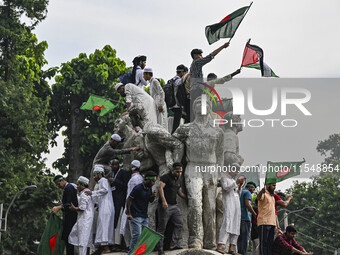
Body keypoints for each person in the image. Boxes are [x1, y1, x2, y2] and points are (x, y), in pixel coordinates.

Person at [173, 96, 224, 249]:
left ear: (210, 108)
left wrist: (219, 174)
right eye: (197, 103)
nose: (201, 106)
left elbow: (220, 155)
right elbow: (173, 143)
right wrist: (173, 164)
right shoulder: (185, 128)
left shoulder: (217, 131)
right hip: (193, 166)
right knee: (195, 203)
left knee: (210, 207)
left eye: (205, 104)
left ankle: (210, 241)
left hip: (211, 168)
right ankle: (195, 239)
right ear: (193, 108)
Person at [157, 162, 187, 255]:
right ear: (173, 170)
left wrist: (188, 197)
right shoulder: (166, 177)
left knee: (180, 223)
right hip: (166, 205)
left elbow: (179, 191)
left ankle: (173, 244)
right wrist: (164, 201)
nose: (179, 173)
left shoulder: (178, 179)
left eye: (180, 172)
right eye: (177, 172)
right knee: (162, 227)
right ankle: (160, 248)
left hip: (174, 205)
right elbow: (160, 187)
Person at [125, 171, 158, 255]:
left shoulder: (149, 188)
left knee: (143, 236)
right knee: (137, 235)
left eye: (154, 181)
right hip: (135, 215)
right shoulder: (138, 188)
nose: (153, 183)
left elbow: (150, 201)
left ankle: (139, 253)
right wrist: (129, 213)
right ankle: (131, 253)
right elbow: (129, 199)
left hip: (144, 215)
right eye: (152, 181)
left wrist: (153, 196)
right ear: (146, 179)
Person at [85, 165, 115, 254]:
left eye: (95, 175)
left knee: (104, 226)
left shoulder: (103, 180)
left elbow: (104, 190)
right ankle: (105, 247)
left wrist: (92, 193)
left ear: (99, 174)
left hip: (106, 208)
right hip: (104, 206)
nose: (94, 177)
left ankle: (106, 248)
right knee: (104, 226)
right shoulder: (102, 181)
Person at [216, 164, 245, 255]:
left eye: (237, 171)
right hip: (229, 204)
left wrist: (239, 187)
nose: (236, 172)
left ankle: (231, 248)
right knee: (227, 223)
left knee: (236, 224)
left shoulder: (233, 180)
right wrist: (236, 183)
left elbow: (237, 194)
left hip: (236, 204)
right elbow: (226, 188)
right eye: (235, 170)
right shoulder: (224, 178)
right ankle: (220, 246)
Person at [107, 159, 130, 250]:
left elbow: (126, 185)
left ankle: (119, 243)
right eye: (112, 165)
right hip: (113, 201)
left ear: (118, 165)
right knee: (114, 221)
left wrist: (115, 181)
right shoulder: (111, 174)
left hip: (121, 201)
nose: (114, 166)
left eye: (116, 164)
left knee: (120, 221)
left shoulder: (123, 172)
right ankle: (113, 243)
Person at [52, 175, 78, 255]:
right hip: (67, 217)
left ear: (63, 180)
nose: (58, 186)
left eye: (58, 184)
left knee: (69, 238)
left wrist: (59, 207)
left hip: (71, 217)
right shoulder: (66, 189)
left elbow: (70, 204)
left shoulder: (69, 188)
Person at [120, 160, 144, 247]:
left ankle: (133, 247)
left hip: (132, 206)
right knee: (127, 227)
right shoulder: (140, 178)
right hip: (135, 206)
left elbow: (131, 195)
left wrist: (128, 208)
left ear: (132, 167)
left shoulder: (134, 179)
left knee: (130, 228)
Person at [68, 176, 94, 255]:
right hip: (85, 219)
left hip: (84, 219)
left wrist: (74, 208)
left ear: (82, 185)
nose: (77, 186)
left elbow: (82, 208)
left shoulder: (84, 194)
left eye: (78, 184)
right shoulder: (87, 192)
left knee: (82, 240)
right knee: (78, 237)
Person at [257, 182, 278, 255]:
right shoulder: (263, 193)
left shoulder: (272, 196)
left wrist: (276, 225)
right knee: (264, 244)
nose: (274, 187)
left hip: (272, 223)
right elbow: (258, 197)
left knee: (270, 244)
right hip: (264, 222)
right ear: (268, 185)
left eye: (275, 186)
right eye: (273, 185)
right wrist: (261, 192)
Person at [237, 182, 257, 255]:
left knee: (239, 238)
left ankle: (238, 252)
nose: (253, 191)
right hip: (245, 218)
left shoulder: (240, 192)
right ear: (250, 187)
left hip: (238, 218)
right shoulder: (247, 193)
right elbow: (248, 204)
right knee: (245, 239)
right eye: (253, 189)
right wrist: (255, 214)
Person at [170, 64, 188, 133]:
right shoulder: (179, 81)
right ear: (182, 72)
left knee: (179, 120)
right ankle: (174, 135)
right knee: (176, 123)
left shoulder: (173, 79)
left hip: (172, 104)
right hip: (177, 104)